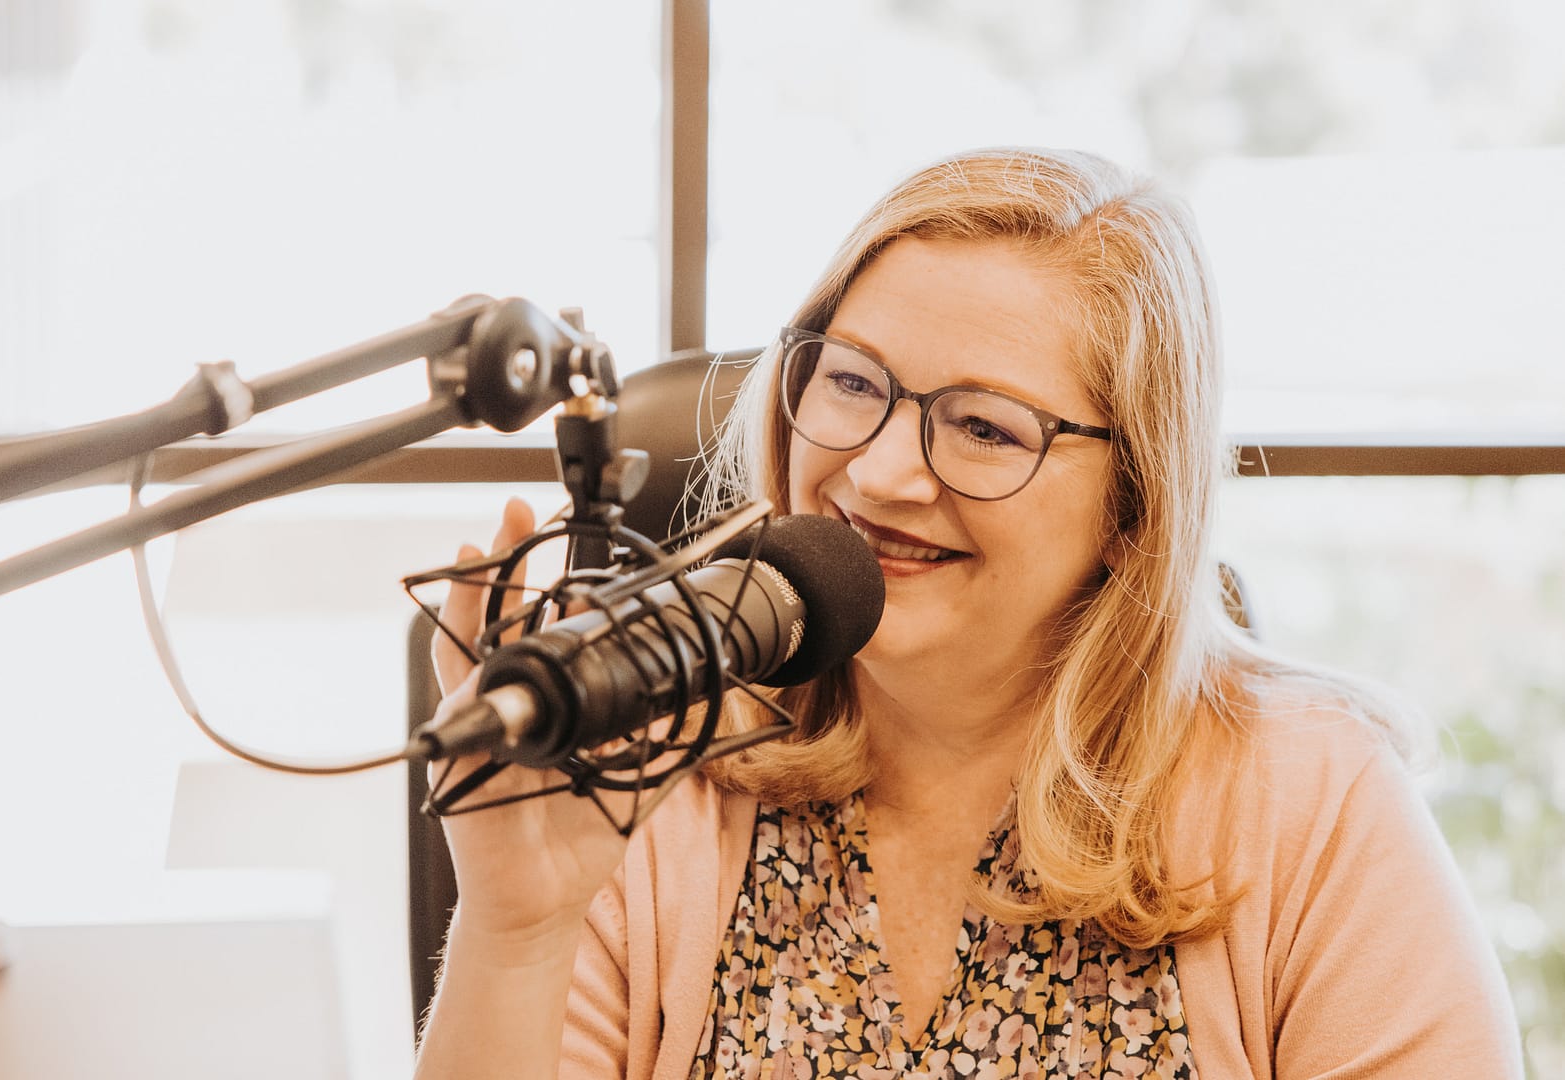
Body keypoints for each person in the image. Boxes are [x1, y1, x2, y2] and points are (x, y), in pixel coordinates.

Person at [411, 147, 1523, 1079]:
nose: (882, 473)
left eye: (983, 427)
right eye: (850, 383)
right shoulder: (660, 768)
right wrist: (517, 932)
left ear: (1131, 505)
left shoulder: (1307, 803)